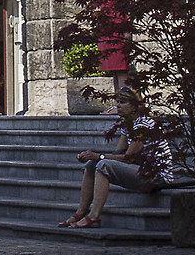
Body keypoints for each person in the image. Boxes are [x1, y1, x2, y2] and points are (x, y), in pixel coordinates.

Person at [59, 89, 170, 230]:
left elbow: (128, 158)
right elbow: (118, 153)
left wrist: (99, 156)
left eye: (122, 102)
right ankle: (80, 212)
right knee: (92, 164)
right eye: (117, 102)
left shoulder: (144, 124)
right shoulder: (127, 123)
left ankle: (94, 217)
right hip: (140, 170)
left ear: (135, 106)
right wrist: (92, 157)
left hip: (156, 176)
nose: (117, 105)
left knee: (103, 165)